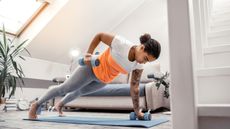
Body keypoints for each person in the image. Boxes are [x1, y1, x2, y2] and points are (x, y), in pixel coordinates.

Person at [28, 32, 161, 120]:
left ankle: (60, 105)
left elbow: (135, 87)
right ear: (142, 48)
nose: (144, 62)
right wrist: (88, 54)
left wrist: (137, 111)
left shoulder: (139, 65)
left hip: (103, 80)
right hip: (91, 68)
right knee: (65, 88)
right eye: (145, 58)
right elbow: (100, 36)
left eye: (147, 61)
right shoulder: (121, 44)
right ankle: (36, 104)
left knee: (80, 92)